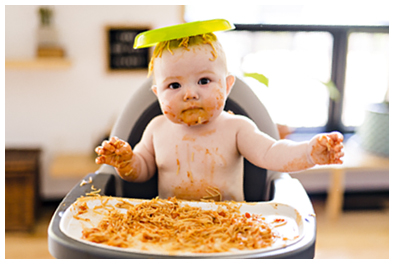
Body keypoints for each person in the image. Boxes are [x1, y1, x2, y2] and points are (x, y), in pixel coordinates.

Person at [95, 28, 344, 202]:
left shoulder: (236, 128)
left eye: (204, 80)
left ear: (226, 86)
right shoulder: (156, 129)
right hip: (169, 225)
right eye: (174, 86)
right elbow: (142, 170)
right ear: (157, 93)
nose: (190, 94)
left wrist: (309, 153)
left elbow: (272, 154)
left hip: (230, 225)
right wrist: (126, 161)